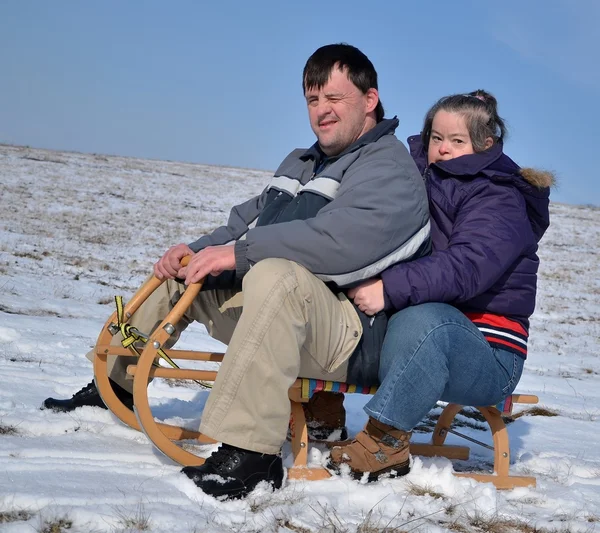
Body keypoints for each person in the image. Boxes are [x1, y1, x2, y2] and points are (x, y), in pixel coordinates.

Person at [43, 43, 430, 499]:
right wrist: (197, 251)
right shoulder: (302, 161)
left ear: (370, 100)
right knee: (190, 272)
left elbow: (339, 244)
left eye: (334, 99)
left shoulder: (390, 169)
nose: (321, 111)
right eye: (312, 100)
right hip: (280, 314)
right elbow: (246, 221)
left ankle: (252, 455)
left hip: (347, 334)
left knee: (277, 276)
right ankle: (117, 382)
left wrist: (238, 255)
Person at [327, 90, 553, 480]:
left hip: (487, 352)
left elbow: (467, 267)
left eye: (456, 140)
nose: (443, 149)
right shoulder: (415, 178)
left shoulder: (500, 197)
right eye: (436, 138)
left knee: (428, 320)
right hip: (420, 332)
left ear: (486, 144)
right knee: (339, 297)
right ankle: (322, 407)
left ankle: (385, 442)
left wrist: (389, 287)